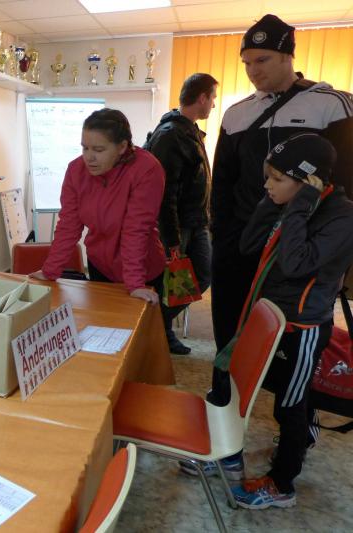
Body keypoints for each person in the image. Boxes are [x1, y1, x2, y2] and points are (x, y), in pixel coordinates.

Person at [210, 14, 353, 401]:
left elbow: (345, 183)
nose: (253, 71)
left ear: (288, 56)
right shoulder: (236, 114)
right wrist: (222, 236)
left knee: (292, 338)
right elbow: (223, 182)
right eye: (246, 63)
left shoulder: (331, 104)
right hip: (244, 238)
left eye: (262, 60)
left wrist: (334, 255)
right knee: (231, 322)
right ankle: (223, 399)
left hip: (299, 246)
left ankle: (292, 413)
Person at [229, 133, 353, 509]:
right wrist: (275, 202)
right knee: (273, 390)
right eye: (268, 177)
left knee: (289, 405)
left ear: (308, 183)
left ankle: (282, 485)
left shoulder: (342, 216)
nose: (268, 185)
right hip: (275, 317)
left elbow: (296, 263)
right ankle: (295, 437)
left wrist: (298, 208)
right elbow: (248, 245)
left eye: (277, 179)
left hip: (304, 327)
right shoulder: (288, 201)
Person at [31, 108, 166, 306]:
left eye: (98, 150)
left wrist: (135, 284)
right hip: (100, 265)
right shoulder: (76, 170)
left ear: (122, 146)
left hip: (142, 269)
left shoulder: (147, 169)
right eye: (85, 148)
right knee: (101, 318)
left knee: (143, 323)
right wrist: (50, 271)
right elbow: (68, 225)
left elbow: (136, 230)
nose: (89, 157)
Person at [144, 73, 218, 354]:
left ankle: (157, 326)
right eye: (212, 98)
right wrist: (172, 239)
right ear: (202, 98)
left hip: (195, 222)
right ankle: (156, 327)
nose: (213, 105)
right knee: (175, 281)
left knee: (200, 276)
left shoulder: (188, 130)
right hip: (179, 226)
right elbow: (165, 194)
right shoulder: (171, 134)